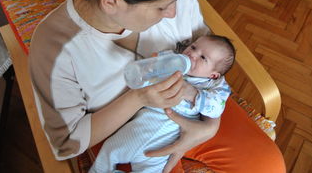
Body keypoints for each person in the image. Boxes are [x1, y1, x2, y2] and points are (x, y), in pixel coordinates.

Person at [19, 0, 286, 172]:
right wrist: (139, 98)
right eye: (162, 7)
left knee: (268, 165)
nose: (173, 12)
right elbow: (67, 142)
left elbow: (211, 58)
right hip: (126, 133)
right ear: (113, 2)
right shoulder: (55, 49)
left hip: (193, 109)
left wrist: (206, 128)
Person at [90, 35, 235, 173]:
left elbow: (216, 108)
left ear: (213, 75)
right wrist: (155, 66)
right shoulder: (171, 59)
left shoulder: (215, 86)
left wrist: (193, 93)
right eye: (193, 47)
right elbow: (150, 69)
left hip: (165, 141)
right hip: (140, 126)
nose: (192, 54)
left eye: (203, 57)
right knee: (109, 151)